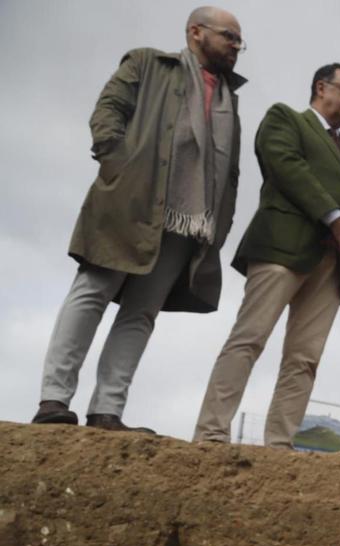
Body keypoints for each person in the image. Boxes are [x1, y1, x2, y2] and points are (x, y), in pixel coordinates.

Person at [32, 7, 246, 433]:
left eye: (240, 41)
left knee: (142, 312)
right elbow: (108, 113)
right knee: (93, 290)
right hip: (133, 201)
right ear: (195, 32)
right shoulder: (148, 62)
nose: (236, 46)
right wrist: (120, 171)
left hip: (190, 223)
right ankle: (54, 400)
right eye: (229, 36)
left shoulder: (228, 96)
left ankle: (106, 411)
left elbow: (230, 171)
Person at [193, 63, 340, 448]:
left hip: (331, 266)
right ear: (320, 87)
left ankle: (279, 443)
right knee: (249, 338)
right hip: (283, 246)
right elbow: (285, 165)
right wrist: (335, 218)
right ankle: (211, 432)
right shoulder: (285, 118)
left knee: (305, 359)